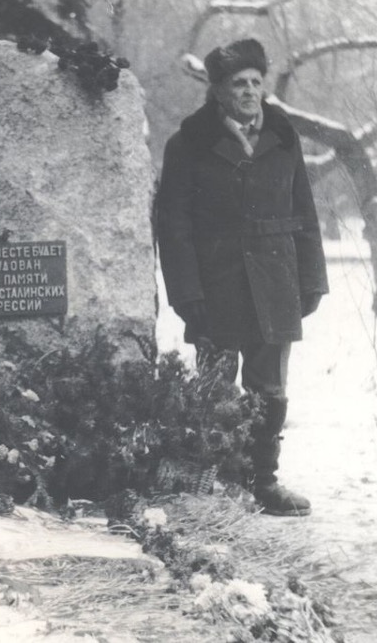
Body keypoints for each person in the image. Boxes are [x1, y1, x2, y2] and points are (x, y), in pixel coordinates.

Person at [153, 38, 328, 517]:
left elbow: (304, 212)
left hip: (275, 282)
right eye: (238, 84)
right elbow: (173, 227)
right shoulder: (188, 144)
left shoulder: (283, 136)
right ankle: (213, 483)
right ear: (217, 91)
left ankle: (262, 482)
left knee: (269, 390)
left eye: (255, 82)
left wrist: (312, 279)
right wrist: (187, 294)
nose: (250, 91)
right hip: (217, 285)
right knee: (215, 389)